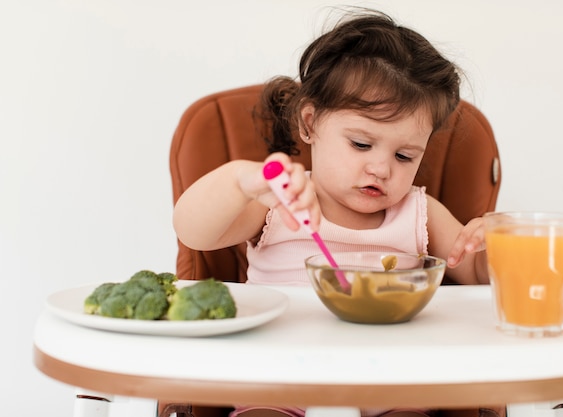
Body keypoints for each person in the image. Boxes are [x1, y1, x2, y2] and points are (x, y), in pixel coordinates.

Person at [173, 8, 503, 417]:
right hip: (277, 383)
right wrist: (241, 181)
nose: (381, 169)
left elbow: (478, 275)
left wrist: (494, 244)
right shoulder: (280, 202)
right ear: (310, 123)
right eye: (361, 145)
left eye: (404, 155)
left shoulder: (419, 212)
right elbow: (194, 233)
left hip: (393, 386)